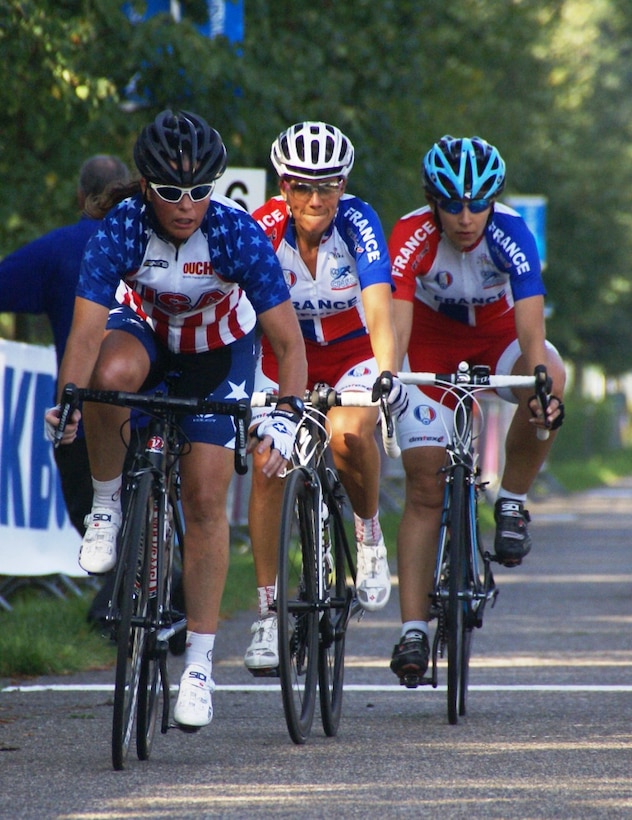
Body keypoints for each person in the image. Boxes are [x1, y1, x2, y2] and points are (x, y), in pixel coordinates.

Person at [45, 110, 307, 731]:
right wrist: (69, 404)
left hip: (220, 354)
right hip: (150, 336)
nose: (186, 206)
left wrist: (289, 418)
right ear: (145, 186)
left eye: (199, 191)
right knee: (105, 383)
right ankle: (107, 507)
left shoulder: (236, 234)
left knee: (206, 497)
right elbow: (84, 338)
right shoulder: (122, 228)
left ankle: (198, 668)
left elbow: (290, 346)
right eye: (169, 192)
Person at [387, 135, 566, 683]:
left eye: (478, 204)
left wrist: (540, 391)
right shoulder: (410, 234)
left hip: (497, 337)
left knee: (551, 380)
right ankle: (413, 630)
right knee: (423, 485)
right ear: (432, 201)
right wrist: (390, 378)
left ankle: (511, 503)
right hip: (431, 343)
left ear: (494, 201)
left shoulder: (512, 233)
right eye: (452, 204)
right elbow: (394, 327)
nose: (466, 218)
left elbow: (532, 330)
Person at [243, 121, 408, 674]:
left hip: (350, 353)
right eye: (302, 187)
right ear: (283, 187)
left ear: (343, 186)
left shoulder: (359, 223)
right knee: (267, 465)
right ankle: (267, 616)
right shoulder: (262, 227)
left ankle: (367, 532)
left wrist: (386, 375)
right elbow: (236, 311)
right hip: (281, 359)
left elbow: (380, 307)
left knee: (350, 433)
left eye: (329, 186)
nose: (316, 200)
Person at [0, 154, 130, 535]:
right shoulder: (153, 246)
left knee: (97, 535)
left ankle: (125, 591)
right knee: (149, 535)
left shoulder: (57, 250)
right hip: (148, 415)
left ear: (79, 196)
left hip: (80, 422)